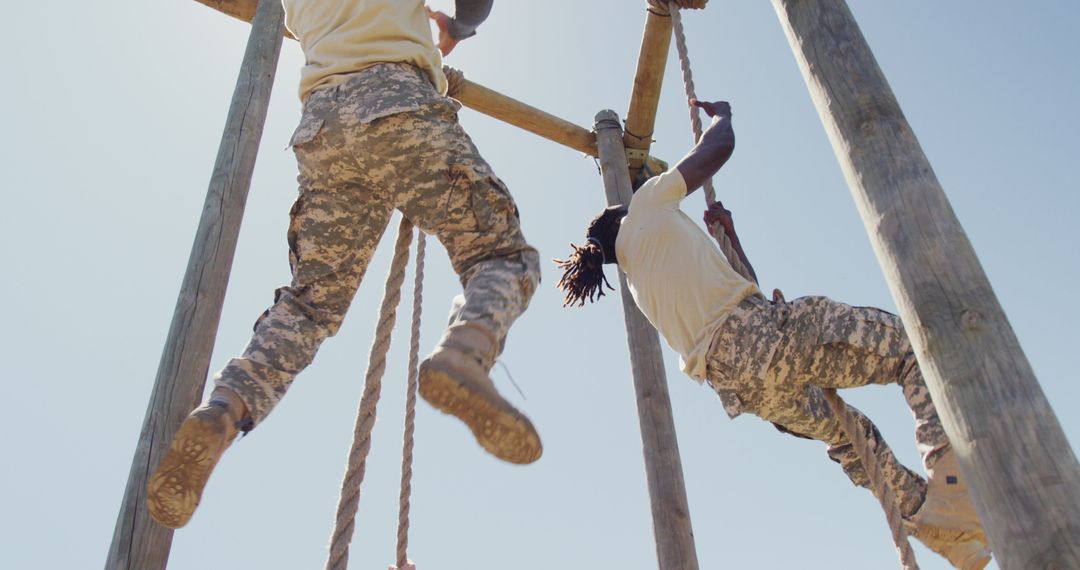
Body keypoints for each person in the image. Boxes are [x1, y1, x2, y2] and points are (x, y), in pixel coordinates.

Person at [147, 0, 542, 530]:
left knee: (311, 305)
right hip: (395, 99)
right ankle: (465, 353)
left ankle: (223, 410)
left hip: (321, 127)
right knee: (502, 254)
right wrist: (458, 26)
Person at [554, 99, 991, 569]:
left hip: (745, 387)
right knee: (905, 347)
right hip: (756, 339)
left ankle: (941, 529)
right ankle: (950, 479)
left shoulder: (641, 283)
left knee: (853, 437)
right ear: (620, 215)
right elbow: (719, 147)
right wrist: (723, 116)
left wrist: (731, 236)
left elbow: (748, 302)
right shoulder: (644, 205)